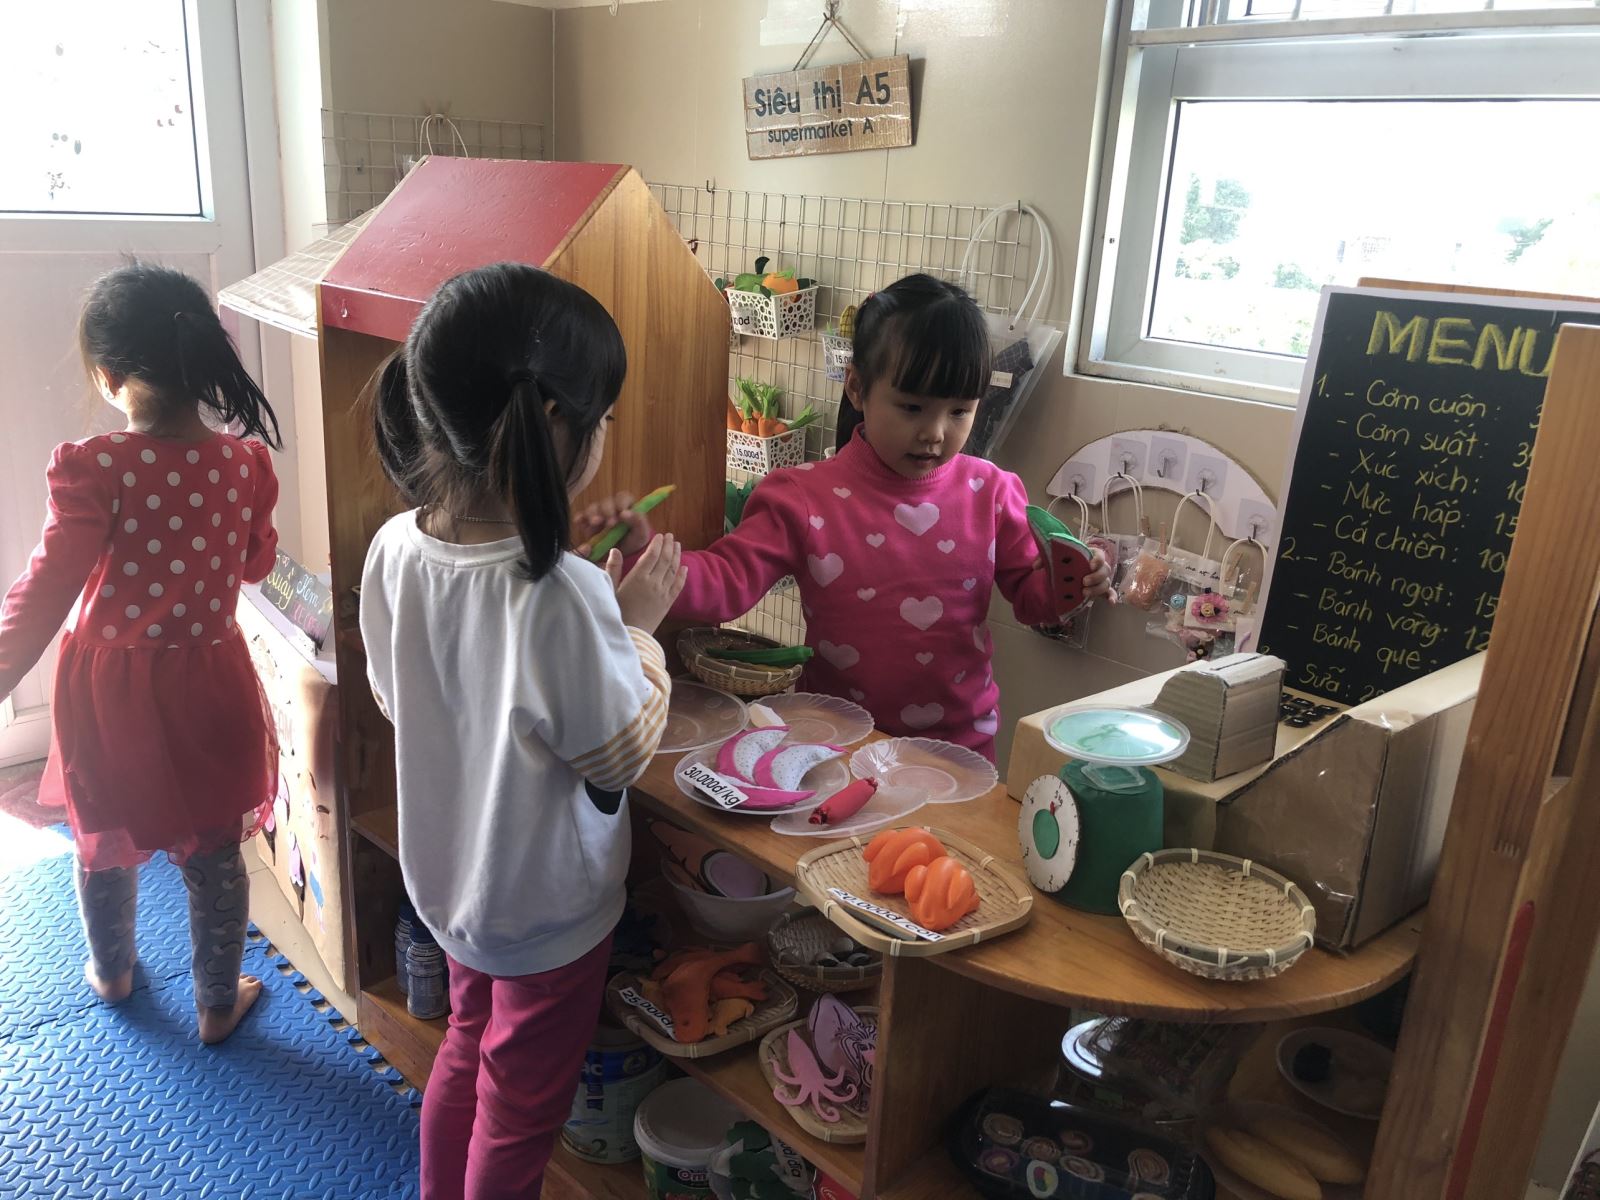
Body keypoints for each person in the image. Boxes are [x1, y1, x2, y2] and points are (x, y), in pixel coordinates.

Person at [360, 262, 685, 1200]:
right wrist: (637, 628)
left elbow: (403, 693)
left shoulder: (397, 546)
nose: (606, 434)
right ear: (552, 420)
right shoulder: (565, 595)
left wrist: (584, 599)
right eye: (602, 416)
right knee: (520, 1108)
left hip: (452, 886)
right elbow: (619, 750)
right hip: (547, 909)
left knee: (465, 1046)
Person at [578, 273, 1111, 761]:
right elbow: (726, 581)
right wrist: (644, 557)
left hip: (959, 750)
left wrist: (1073, 584)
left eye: (959, 411)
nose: (934, 433)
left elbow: (1034, 600)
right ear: (857, 387)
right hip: (833, 741)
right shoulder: (801, 497)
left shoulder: (991, 492)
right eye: (911, 407)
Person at [0, 262, 284, 1044]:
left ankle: (114, 972)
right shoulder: (245, 466)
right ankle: (217, 1004)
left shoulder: (96, 468)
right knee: (216, 850)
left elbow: (45, 588)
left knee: (104, 837)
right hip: (210, 682)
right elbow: (255, 564)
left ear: (109, 375)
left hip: (110, 692)